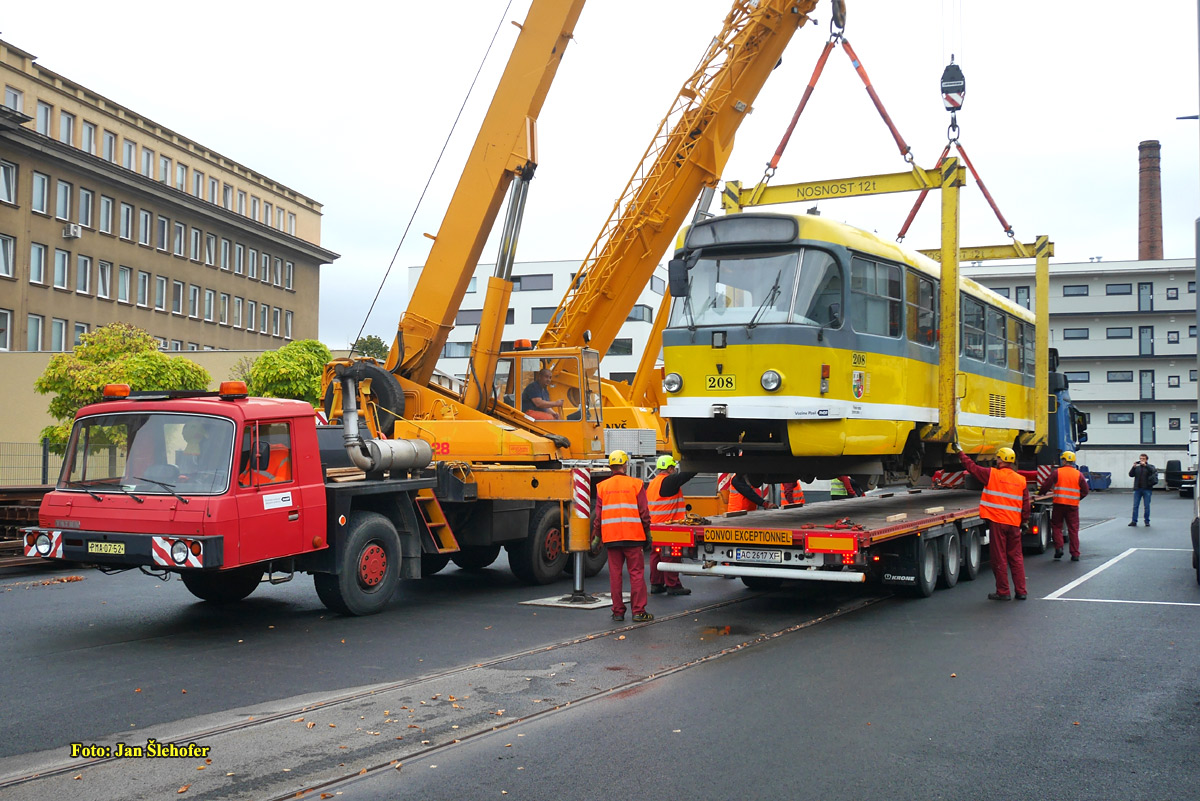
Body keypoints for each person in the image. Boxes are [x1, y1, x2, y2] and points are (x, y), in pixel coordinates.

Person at [957, 444, 1030, 601]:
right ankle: (1021, 591)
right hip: (1014, 524)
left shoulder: (992, 475)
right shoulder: (1021, 480)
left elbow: (972, 468)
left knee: (999, 557)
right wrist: (1024, 522)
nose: (996, 460)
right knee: (1016, 558)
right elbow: (1026, 505)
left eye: (997, 458)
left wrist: (961, 453)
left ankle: (1003, 591)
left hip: (998, 522)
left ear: (1001, 460)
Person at [593, 449, 653, 623]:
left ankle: (618, 612)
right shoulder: (636, 484)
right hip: (633, 537)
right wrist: (648, 533)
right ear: (625, 465)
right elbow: (644, 512)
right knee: (636, 574)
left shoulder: (602, 487)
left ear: (611, 466)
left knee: (615, 574)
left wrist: (597, 537)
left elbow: (598, 516)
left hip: (611, 538)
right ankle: (638, 611)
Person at [647, 455, 698, 596]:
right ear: (669, 469)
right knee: (670, 556)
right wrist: (699, 463)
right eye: (673, 468)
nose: (675, 470)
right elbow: (686, 475)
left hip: (655, 525)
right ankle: (673, 585)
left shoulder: (653, 483)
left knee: (656, 556)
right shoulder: (669, 481)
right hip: (667, 525)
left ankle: (656, 584)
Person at [1038, 451, 1090, 561]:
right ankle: (1075, 554)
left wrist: (1040, 493)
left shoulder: (1057, 472)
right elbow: (1085, 490)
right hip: (1072, 506)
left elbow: (1047, 484)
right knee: (1073, 529)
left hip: (1059, 504)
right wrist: (1077, 498)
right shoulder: (1078, 474)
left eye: (1062, 459)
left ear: (1065, 460)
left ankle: (1059, 548)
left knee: (1057, 526)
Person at [1128, 453, 1157, 527]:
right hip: (1137, 489)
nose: (1141, 460)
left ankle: (1147, 521)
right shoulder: (1137, 467)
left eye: (1143, 459)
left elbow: (1153, 471)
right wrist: (1133, 467)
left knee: (1146, 506)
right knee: (1135, 506)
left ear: (1146, 460)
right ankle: (1134, 521)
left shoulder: (1150, 467)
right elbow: (1131, 475)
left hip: (1147, 489)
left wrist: (1146, 465)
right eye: (1140, 459)